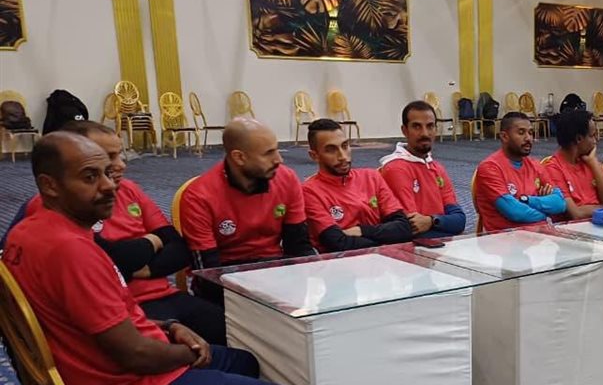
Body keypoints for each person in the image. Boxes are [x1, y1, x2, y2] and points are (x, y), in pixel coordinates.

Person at [3, 132, 311, 385]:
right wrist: (191, 353)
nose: (109, 185)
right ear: (50, 185)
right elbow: (135, 355)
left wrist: (169, 328)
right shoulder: (71, 251)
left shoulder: (28, 233)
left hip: (105, 371)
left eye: (108, 172)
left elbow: (100, 319)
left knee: (243, 361)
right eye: (90, 177)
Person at [3, 121, 226, 344]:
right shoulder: (55, 207)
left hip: (166, 295)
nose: (121, 165)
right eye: (109, 157)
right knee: (196, 353)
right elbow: (108, 260)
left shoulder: (129, 190)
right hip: (121, 309)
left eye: (119, 155)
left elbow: (179, 249)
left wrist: (142, 268)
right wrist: (152, 242)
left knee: (235, 332)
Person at [179, 117, 315, 268]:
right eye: (268, 153)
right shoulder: (198, 196)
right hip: (226, 272)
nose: (279, 159)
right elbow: (207, 268)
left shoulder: (287, 179)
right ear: (239, 157)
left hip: (274, 267)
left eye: (277, 150)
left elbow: (298, 245)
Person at [302, 118, 413, 252]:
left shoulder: (372, 177)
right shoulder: (309, 192)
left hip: (383, 261)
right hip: (340, 262)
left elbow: (403, 228)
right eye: (331, 150)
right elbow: (337, 243)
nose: (343, 156)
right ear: (314, 156)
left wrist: (361, 231)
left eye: (345, 146)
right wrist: (385, 238)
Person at [378, 101, 467, 239]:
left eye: (430, 126)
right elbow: (412, 229)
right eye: (417, 126)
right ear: (404, 130)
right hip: (413, 248)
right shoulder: (396, 169)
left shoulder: (437, 168)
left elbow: (459, 220)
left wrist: (431, 221)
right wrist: (445, 224)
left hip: (440, 244)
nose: (425, 133)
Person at [474, 112, 568, 232]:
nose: (528, 138)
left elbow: (560, 203)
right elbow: (515, 212)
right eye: (521, 132)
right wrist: (545, 213)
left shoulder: (535, 165)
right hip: (506, 238)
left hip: (542, 235)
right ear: (504, 136)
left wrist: (526, 200)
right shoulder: (490, 168)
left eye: (530, 133)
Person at [540, 108, 603, 217]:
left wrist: (593, 164)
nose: (596, 140)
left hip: (601, 221)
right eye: (592, 136)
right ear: (579, 139)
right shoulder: (552, 168)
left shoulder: (589, 161)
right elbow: (576, 213)